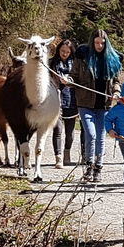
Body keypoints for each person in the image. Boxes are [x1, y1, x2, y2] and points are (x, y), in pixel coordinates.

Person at [73, 28, 122, 181]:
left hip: (104, 104)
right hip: (85, 103)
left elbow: (116, 81)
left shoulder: (113, 59)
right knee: (91, 134)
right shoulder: (82, 57)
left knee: (101, 136)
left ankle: (98, 167)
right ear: (92, 42)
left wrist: (116, 91)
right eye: (96, 43)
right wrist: (68, 80)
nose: (99, 45)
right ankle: (89, 165)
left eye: (102, 43)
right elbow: (73, 76)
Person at [49, 38, 78, 167]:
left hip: (72, 100)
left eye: (67, 52)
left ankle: (67, 152)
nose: (64, 54)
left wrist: (70, 81)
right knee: (58, 130)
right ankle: (58, 157)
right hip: (56, 100)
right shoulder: (51, 63)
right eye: (62, 51)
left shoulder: (76, 65)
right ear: (58, 50)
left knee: (70, 133)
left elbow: (79, 80)